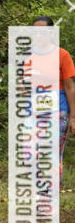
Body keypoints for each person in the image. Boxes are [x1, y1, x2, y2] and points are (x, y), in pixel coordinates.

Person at [32, 16, 75, 185]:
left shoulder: (62, 55)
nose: (38, 36)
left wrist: (73, 117)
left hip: (59, 111)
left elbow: (70, 87)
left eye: (43, 32)